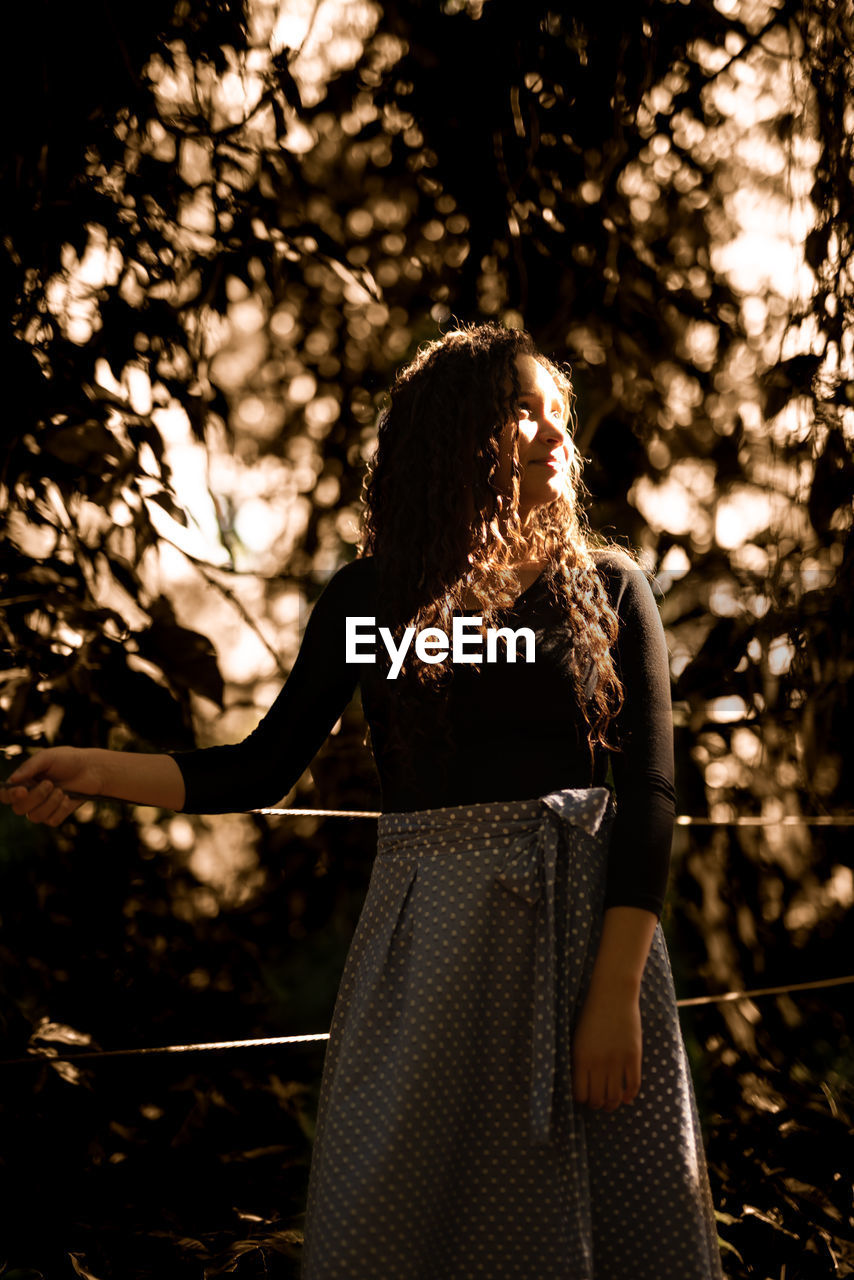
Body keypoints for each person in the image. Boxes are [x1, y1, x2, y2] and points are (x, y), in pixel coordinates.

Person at [0, 321, 724, 1279]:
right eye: (523, 410)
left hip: (590, 946)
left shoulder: (612, 589)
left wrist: (615, 994)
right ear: (455, 433)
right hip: (430, 953)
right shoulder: (369, 602)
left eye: (561, 414)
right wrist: (95, 770)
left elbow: (650, 796)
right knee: (401, 1209)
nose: (557, 434)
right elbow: (258, 769)